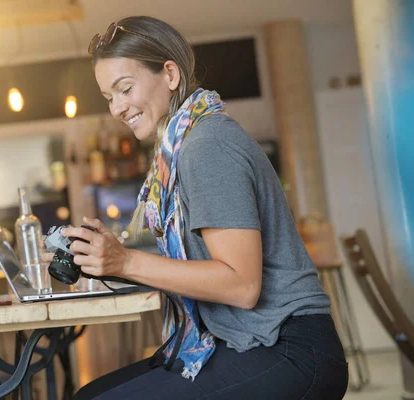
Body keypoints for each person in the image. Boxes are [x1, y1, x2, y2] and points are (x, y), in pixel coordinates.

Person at [55, 16, 348, 399]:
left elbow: (242, 285)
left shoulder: (206, 146)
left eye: (125, 89)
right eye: (109, 98)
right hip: (249, 340)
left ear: (170, 74)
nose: (117, 108)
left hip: (289, 349)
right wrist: (110, 258)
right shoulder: (181, 149)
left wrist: (126, 262)